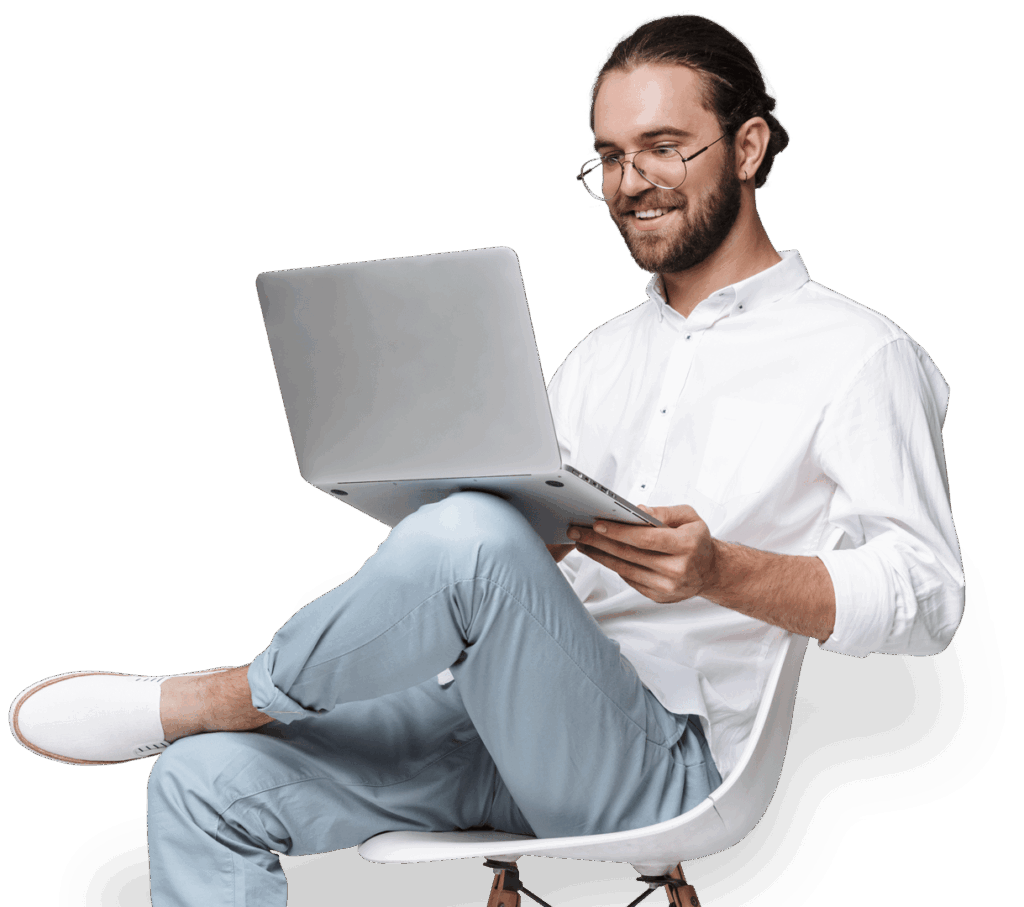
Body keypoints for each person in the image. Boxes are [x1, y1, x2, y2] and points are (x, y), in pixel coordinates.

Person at [8, 11, 964, 906]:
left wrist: (719, 570)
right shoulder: (598, 359)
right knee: (203, 777)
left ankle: (223, 694)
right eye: (609, 156)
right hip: (492, 724)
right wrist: (478, 525)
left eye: (664, 147)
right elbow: (524, 558)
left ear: (748, 148)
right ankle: (215, 722)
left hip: (671, 764)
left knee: (467, 534)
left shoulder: (860, 357)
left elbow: (925, 599)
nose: (631, 182)